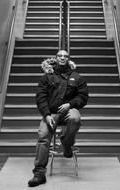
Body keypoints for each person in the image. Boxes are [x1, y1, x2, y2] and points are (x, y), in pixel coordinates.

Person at [28, 50, 88, 187]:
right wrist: (46, 114)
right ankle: (39, 174)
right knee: (43, 136)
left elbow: (83, 97)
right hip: (51, 113)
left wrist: (70, 104)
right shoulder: (47, 77)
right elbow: (40, 97)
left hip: (68, 111)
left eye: (65, 56)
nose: (62, 58)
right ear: (56, 58)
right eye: (60, 56)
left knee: (75, 118)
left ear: (68, 59)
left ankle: (66, 144)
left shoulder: (77, 77)